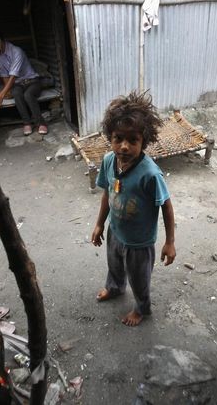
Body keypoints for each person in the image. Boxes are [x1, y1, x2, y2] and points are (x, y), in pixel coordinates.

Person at [90, 91, 176, 326]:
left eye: (133, 140)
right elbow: (108, 192)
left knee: (139, 279)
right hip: (115, 232)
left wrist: (169, 242)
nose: (124, 146)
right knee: (115, 266)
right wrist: (99, 224)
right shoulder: (109, 161)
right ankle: (115, 288)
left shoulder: (149, 174)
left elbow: (166, 207)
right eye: (118, 138)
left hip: (139, 243)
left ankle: (141, 308)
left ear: (143, 141)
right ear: (110, 137)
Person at [0, 28, 48, 136]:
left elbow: (13, 76)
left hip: (33, 81)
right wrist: (7, 91)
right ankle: (26, 122)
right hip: (18, 84)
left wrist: (1, 95)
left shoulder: (17, 51)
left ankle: (40, 123)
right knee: (16, 94)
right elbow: (4, 74)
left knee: (28, 95)